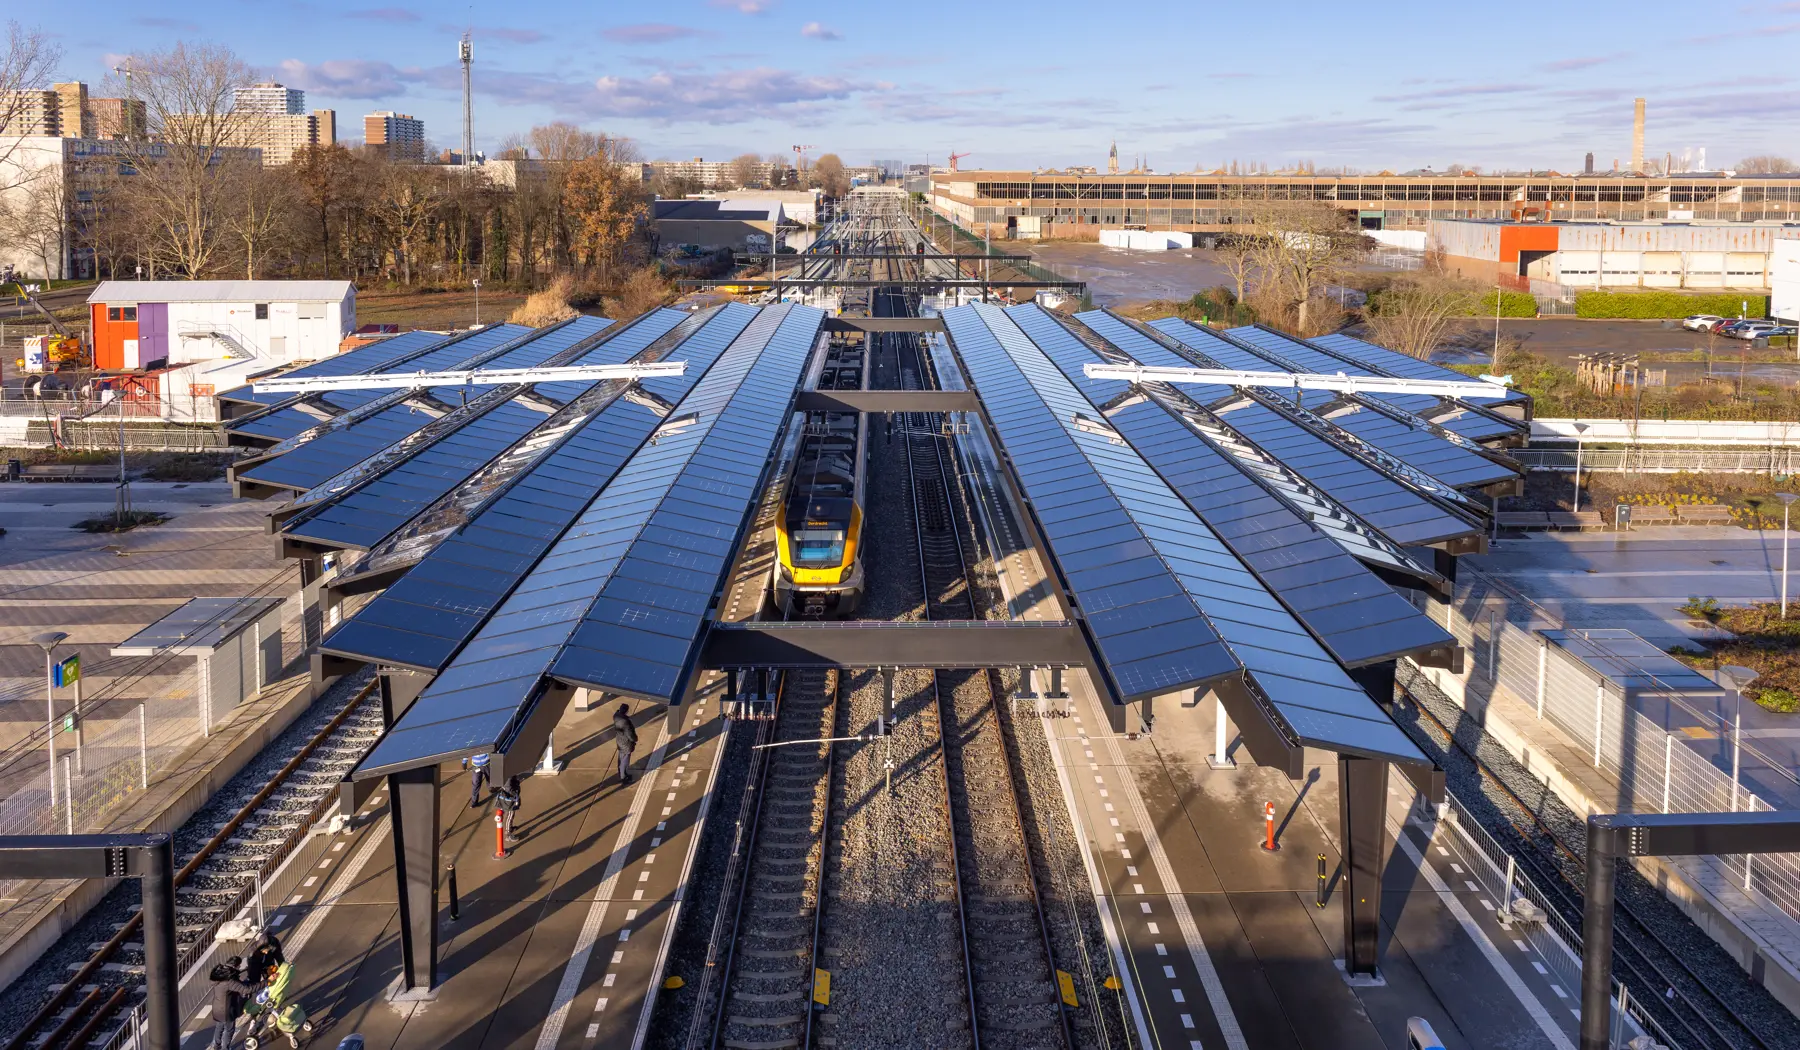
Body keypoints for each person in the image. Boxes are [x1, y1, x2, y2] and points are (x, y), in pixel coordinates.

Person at [209, 959, 254, 1050]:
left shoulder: (219, 976)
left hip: (217, 1007)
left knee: (219, 1027)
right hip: (227, 1010)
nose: (239, 967)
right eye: (239, 965)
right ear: (234, 966)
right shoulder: (229, 981)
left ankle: (216, 1046)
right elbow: (246, 989)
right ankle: (225, 1048)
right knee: (229, 1030)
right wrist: (266, 982)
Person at [613, 703, 638, 785]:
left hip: (620, 741)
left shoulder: (616, 717)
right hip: (626, 744)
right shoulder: (625, 722)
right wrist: (635, 739)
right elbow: (630, 735)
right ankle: (623, 777)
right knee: (625, 761)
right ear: (626, 711)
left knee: (621, 758)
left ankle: (621, 774)